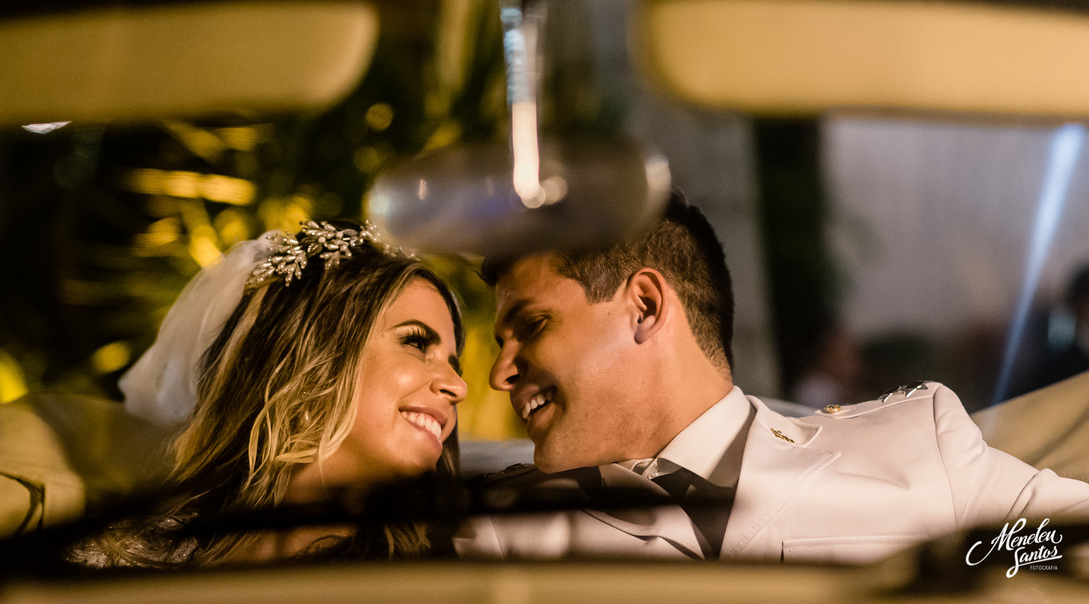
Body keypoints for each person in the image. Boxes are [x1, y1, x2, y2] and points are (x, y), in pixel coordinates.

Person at [453, 192, 1089, 564]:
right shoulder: (501, 530)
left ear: (645, 307)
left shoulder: (920, 449)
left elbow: (1068, 551)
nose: (500, 371)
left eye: (531, 326)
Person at [70, 220, 467, 567]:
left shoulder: (433, 580)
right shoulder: (128, 555)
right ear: (316, 353)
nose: (459, 386)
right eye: (416, 343)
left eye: (455, 364)